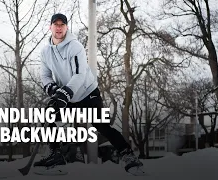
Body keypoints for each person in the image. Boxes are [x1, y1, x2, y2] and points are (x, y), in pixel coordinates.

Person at [34, 13, 143, 174]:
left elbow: (80, 74)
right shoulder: (45, 52)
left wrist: (65, 94)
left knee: (101, 125)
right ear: (50, 27)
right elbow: (45, 75)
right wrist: (53, 90)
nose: (58, 27)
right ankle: (55, 155)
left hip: (87, 93)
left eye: (61, 24)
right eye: (55, 24)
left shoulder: (75, 46)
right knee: (50, 115)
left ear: (66, 27)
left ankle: (129, 157)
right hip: (68, 94)